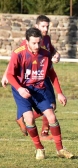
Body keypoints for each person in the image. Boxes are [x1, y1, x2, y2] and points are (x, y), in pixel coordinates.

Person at [6, 27, 73, 160]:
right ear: (27, 42)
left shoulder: (46, 54)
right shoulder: (18, 53)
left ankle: (60, 149)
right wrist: (19, 89)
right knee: (29, 118)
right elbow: (9, 74)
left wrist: (59, 93)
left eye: (39, 43)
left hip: (39, 89)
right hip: (22, 90)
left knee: (52, 117)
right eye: (34, 43)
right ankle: (39, 148)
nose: (37, 46)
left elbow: (52, 74)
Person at [1, 15, 61, 140]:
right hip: (31, 79)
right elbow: (16, 58)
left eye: (47, 26)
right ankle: (39, 129)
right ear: (37, 27)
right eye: (43, 26)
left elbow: (51, 51)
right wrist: (6, 75)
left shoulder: (47, 39)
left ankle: (39, 128)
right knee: (49, 107)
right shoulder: (29, 42)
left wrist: (56, 55)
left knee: (52, 106)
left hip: (43, 76)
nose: (45, 29)